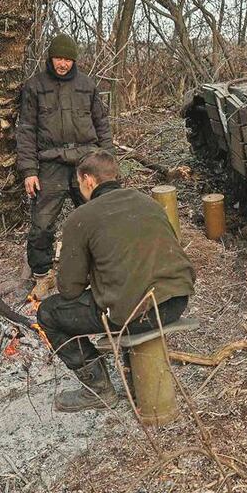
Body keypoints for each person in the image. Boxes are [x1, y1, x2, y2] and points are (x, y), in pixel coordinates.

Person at [36, 150, 195, 412]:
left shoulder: (81, 218)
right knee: (127, 289)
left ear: (88, 180)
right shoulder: (148, 202)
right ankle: (133, 374)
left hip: (138, 313)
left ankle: (98, 391)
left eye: (79, 183)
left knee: (49, 312)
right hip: (176, 301)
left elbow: (69, 289)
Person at [16, 34, 112, 299]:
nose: (63, 64)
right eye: (59, 58)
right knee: (42, 224)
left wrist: (108, 162)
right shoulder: (35, 86)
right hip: (51, 162)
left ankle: (103, 270)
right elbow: (26, 130)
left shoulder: (87, 85)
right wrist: (29, 171)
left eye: (68, 59)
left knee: (99, 216)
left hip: (86, 160)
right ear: (50, 58)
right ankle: (42, 276)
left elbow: (102, 124)